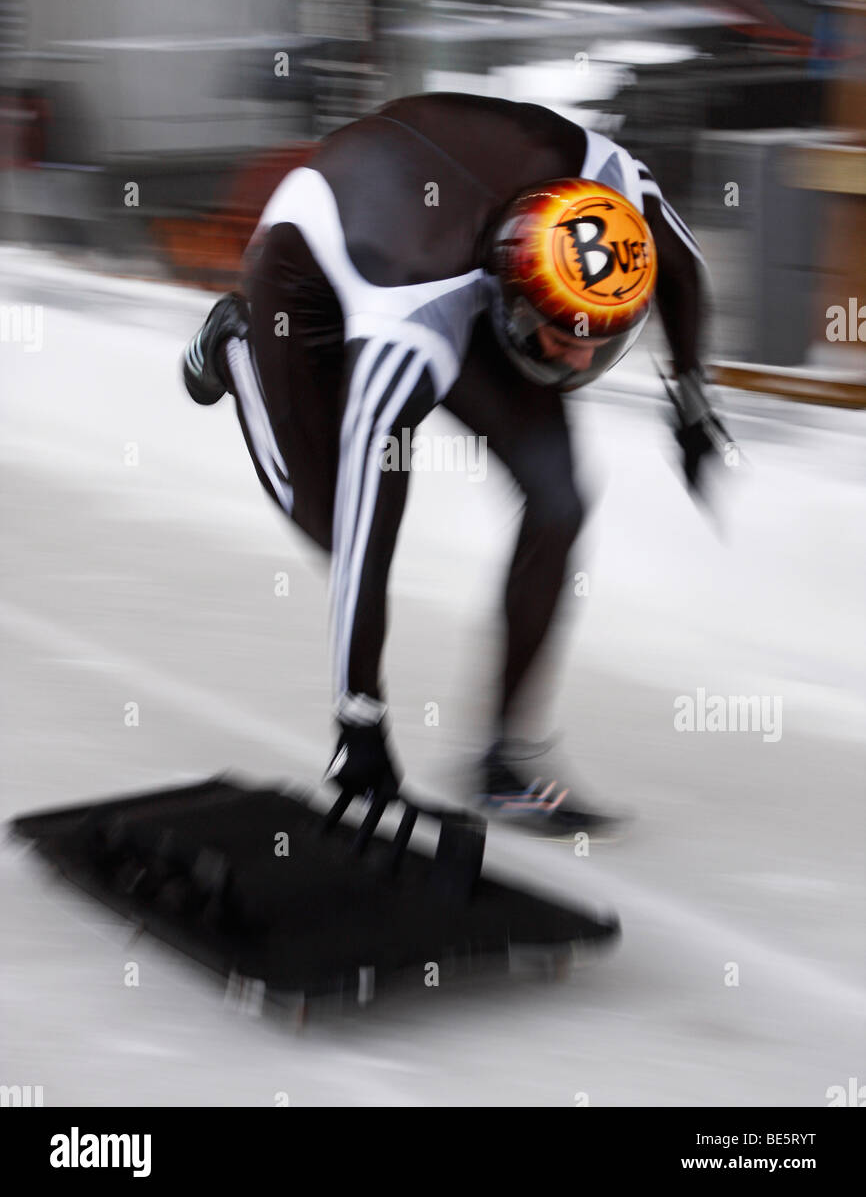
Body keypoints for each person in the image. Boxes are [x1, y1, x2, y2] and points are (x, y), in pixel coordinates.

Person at [182, 92, 728, 831]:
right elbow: (366, 542)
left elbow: (683, 265)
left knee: (558, 500)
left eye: (599, 340)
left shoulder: (614, 193)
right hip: (317, 261)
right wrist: (360, 722)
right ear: (513, 300)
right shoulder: (411, 324)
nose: (581, 358)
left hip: (460, 236)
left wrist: (692, 403)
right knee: (336, 526)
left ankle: (504, 758)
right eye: (563, 339)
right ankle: (233, 346)